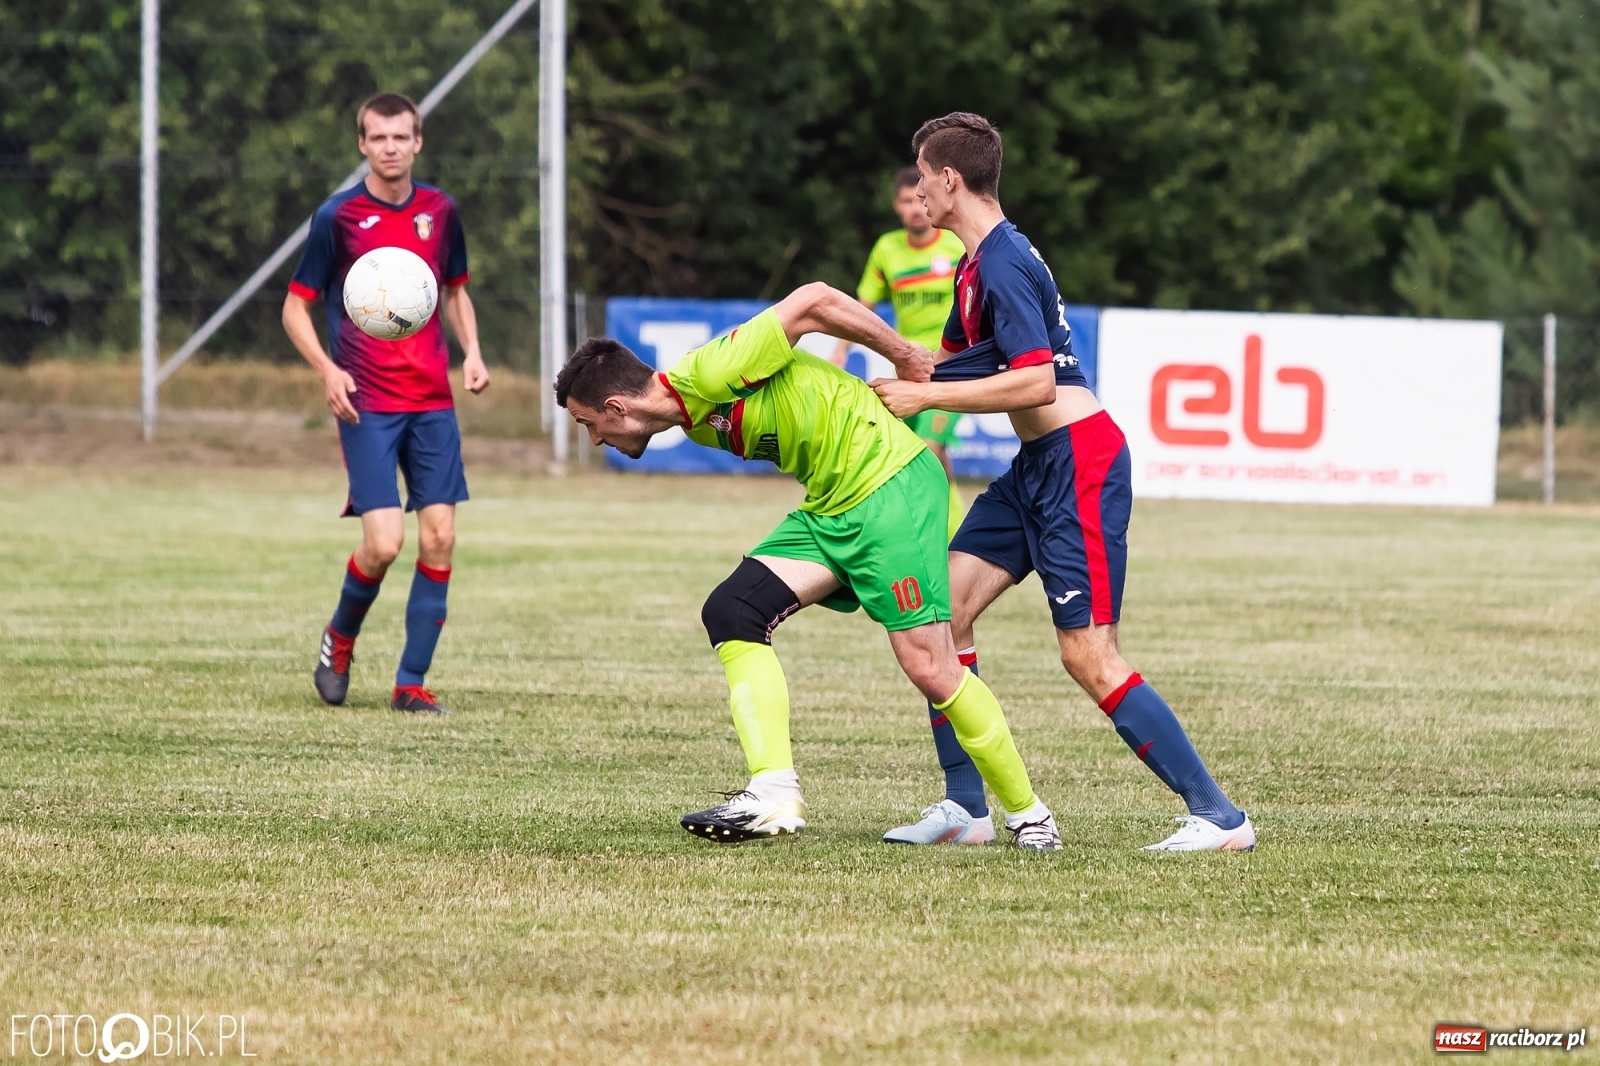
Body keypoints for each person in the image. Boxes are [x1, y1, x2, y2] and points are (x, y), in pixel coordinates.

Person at [555, 281, 1061, 849]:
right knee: (733, 610)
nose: (594, 439)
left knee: (931, 666)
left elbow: (815, 300)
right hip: (833, 505)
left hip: (888, 485)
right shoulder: (691, 413)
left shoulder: (712, 369)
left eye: (588, 424)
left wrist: (903, 353)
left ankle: (1031, 817)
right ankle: (772, 790)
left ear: (617, 408)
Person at [870, 112, 1254, 851]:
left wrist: (925, 398)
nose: (915, 191)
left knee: (1087, 654)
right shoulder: (974, 265)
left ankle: (1220, 817)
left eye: (921, 176)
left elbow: (1036, 382)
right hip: (1036, 469)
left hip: (1079, 461)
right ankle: (967, 810)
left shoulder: (1006, 260)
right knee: (939, 616)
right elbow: (946, 365)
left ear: (949, 180)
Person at [282, 91, 491, 716]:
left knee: (441, 536)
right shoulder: (337, 217)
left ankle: (410, 683)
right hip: (367, 402)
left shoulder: (440, 211)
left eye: (401, 137)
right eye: (378, 138)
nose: (390, 147)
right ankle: (339, 639)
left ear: (418, 141)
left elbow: (454, 291)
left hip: (432, 400)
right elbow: (295, 305)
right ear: (362, 144)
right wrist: (327, 368)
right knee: (383, 543)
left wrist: (472, 350)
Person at [833, 167, 968, 540]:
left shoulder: (955, 246)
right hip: (909, 369)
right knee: (921, 455)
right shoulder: (886, 249)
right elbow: (864, 306)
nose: (914, 208)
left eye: (918, 200)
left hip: (953, 367)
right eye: (905, 201)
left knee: (930, 447)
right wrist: (841, 349)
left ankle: (944, 535)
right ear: (896, 205)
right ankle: (953, 528)